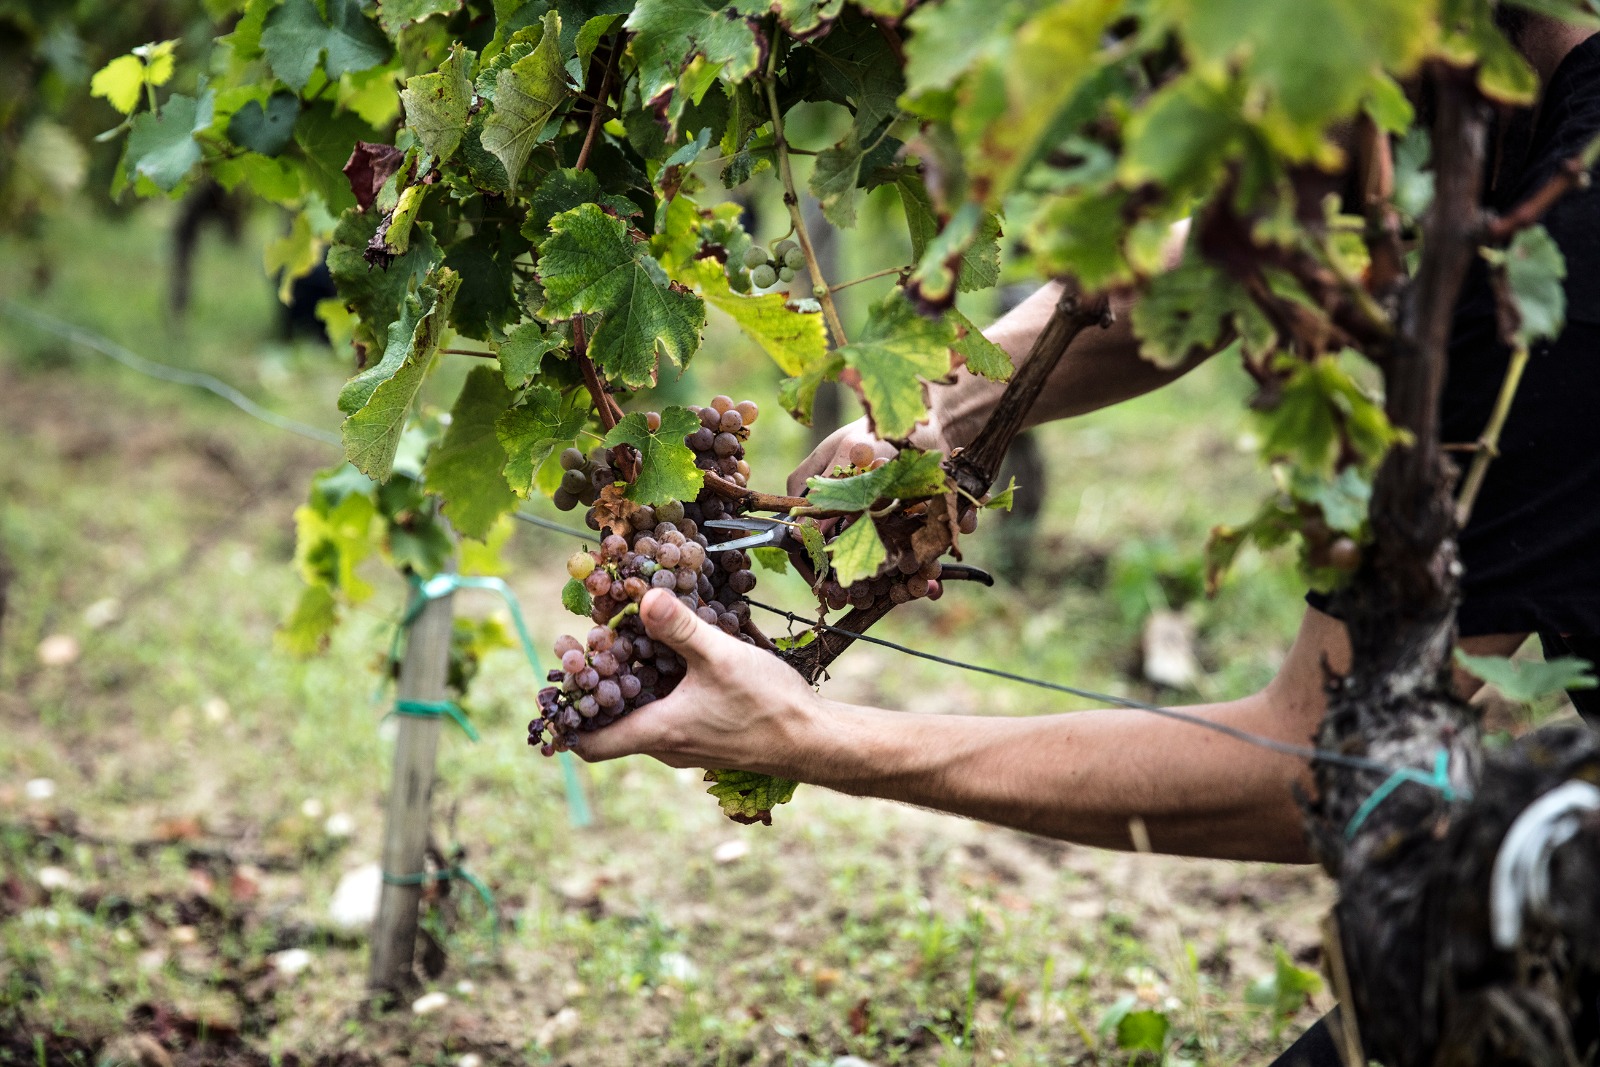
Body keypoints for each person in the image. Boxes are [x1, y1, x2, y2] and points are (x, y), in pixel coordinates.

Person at [572, 11, 1600, 1065]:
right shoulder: (1524, 148)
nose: (1247, 131)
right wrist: (942, 397)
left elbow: (1318, 759)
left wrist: (813, 736)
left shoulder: (1554, 293)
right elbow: (1236, 251)